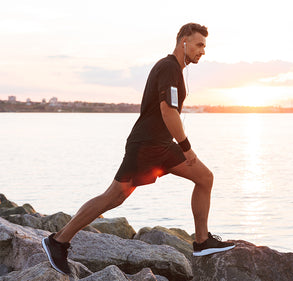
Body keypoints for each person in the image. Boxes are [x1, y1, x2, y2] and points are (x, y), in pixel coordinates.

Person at [41, 23, 235, 275]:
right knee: (114, 196)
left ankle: (201, 241)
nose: (203, 51)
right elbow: (169, 111)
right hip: (145, 145)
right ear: (183, 41)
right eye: (199, 45)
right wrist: (186, 148)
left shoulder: (174, 69)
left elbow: (168, 112)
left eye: (205, 47)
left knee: (204, 177)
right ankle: (57, 241)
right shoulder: (168, 68)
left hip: (161, 145)